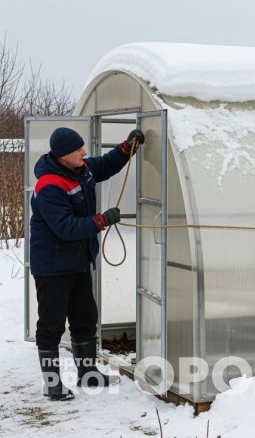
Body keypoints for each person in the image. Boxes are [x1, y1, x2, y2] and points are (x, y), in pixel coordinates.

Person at [30, 126, 144, 400]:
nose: (84, 152)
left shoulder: (81, 169)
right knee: (51, 326)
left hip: (78, 261)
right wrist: (102, 220)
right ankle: (52, 383)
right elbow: (65, 228)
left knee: (85, 319)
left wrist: (126, 148)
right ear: (62, 155)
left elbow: (105, 165)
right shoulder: (49, 185)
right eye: (78, 150)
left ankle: (88, 375)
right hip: (53, 266)